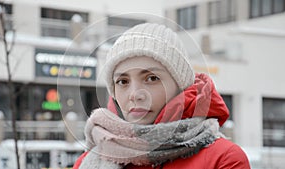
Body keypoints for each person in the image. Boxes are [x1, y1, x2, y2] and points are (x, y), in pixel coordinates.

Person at [73, 23, 251, 169]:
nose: (135, 94)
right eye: (123, 82)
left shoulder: (223, 159)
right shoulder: (90, 161)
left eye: (152, 78)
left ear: (180, 85)